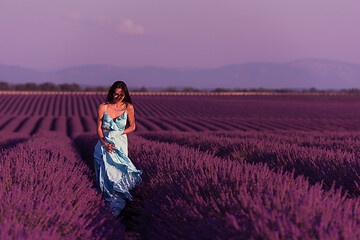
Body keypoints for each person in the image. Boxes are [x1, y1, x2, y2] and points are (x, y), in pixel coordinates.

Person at [93, 81, 142, 216]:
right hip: (104, 144)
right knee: (105, 177)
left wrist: (119, 133)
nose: (118, 97)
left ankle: (117, 210)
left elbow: (132, 126)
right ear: (111, 92)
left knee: (118, 174)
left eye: (121, 94)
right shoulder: (103, 107)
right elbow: (98, 127)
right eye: (115, 94)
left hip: (119, 144)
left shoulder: (128, 107)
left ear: (124, 94)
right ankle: (107, 210)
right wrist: (104, 142)